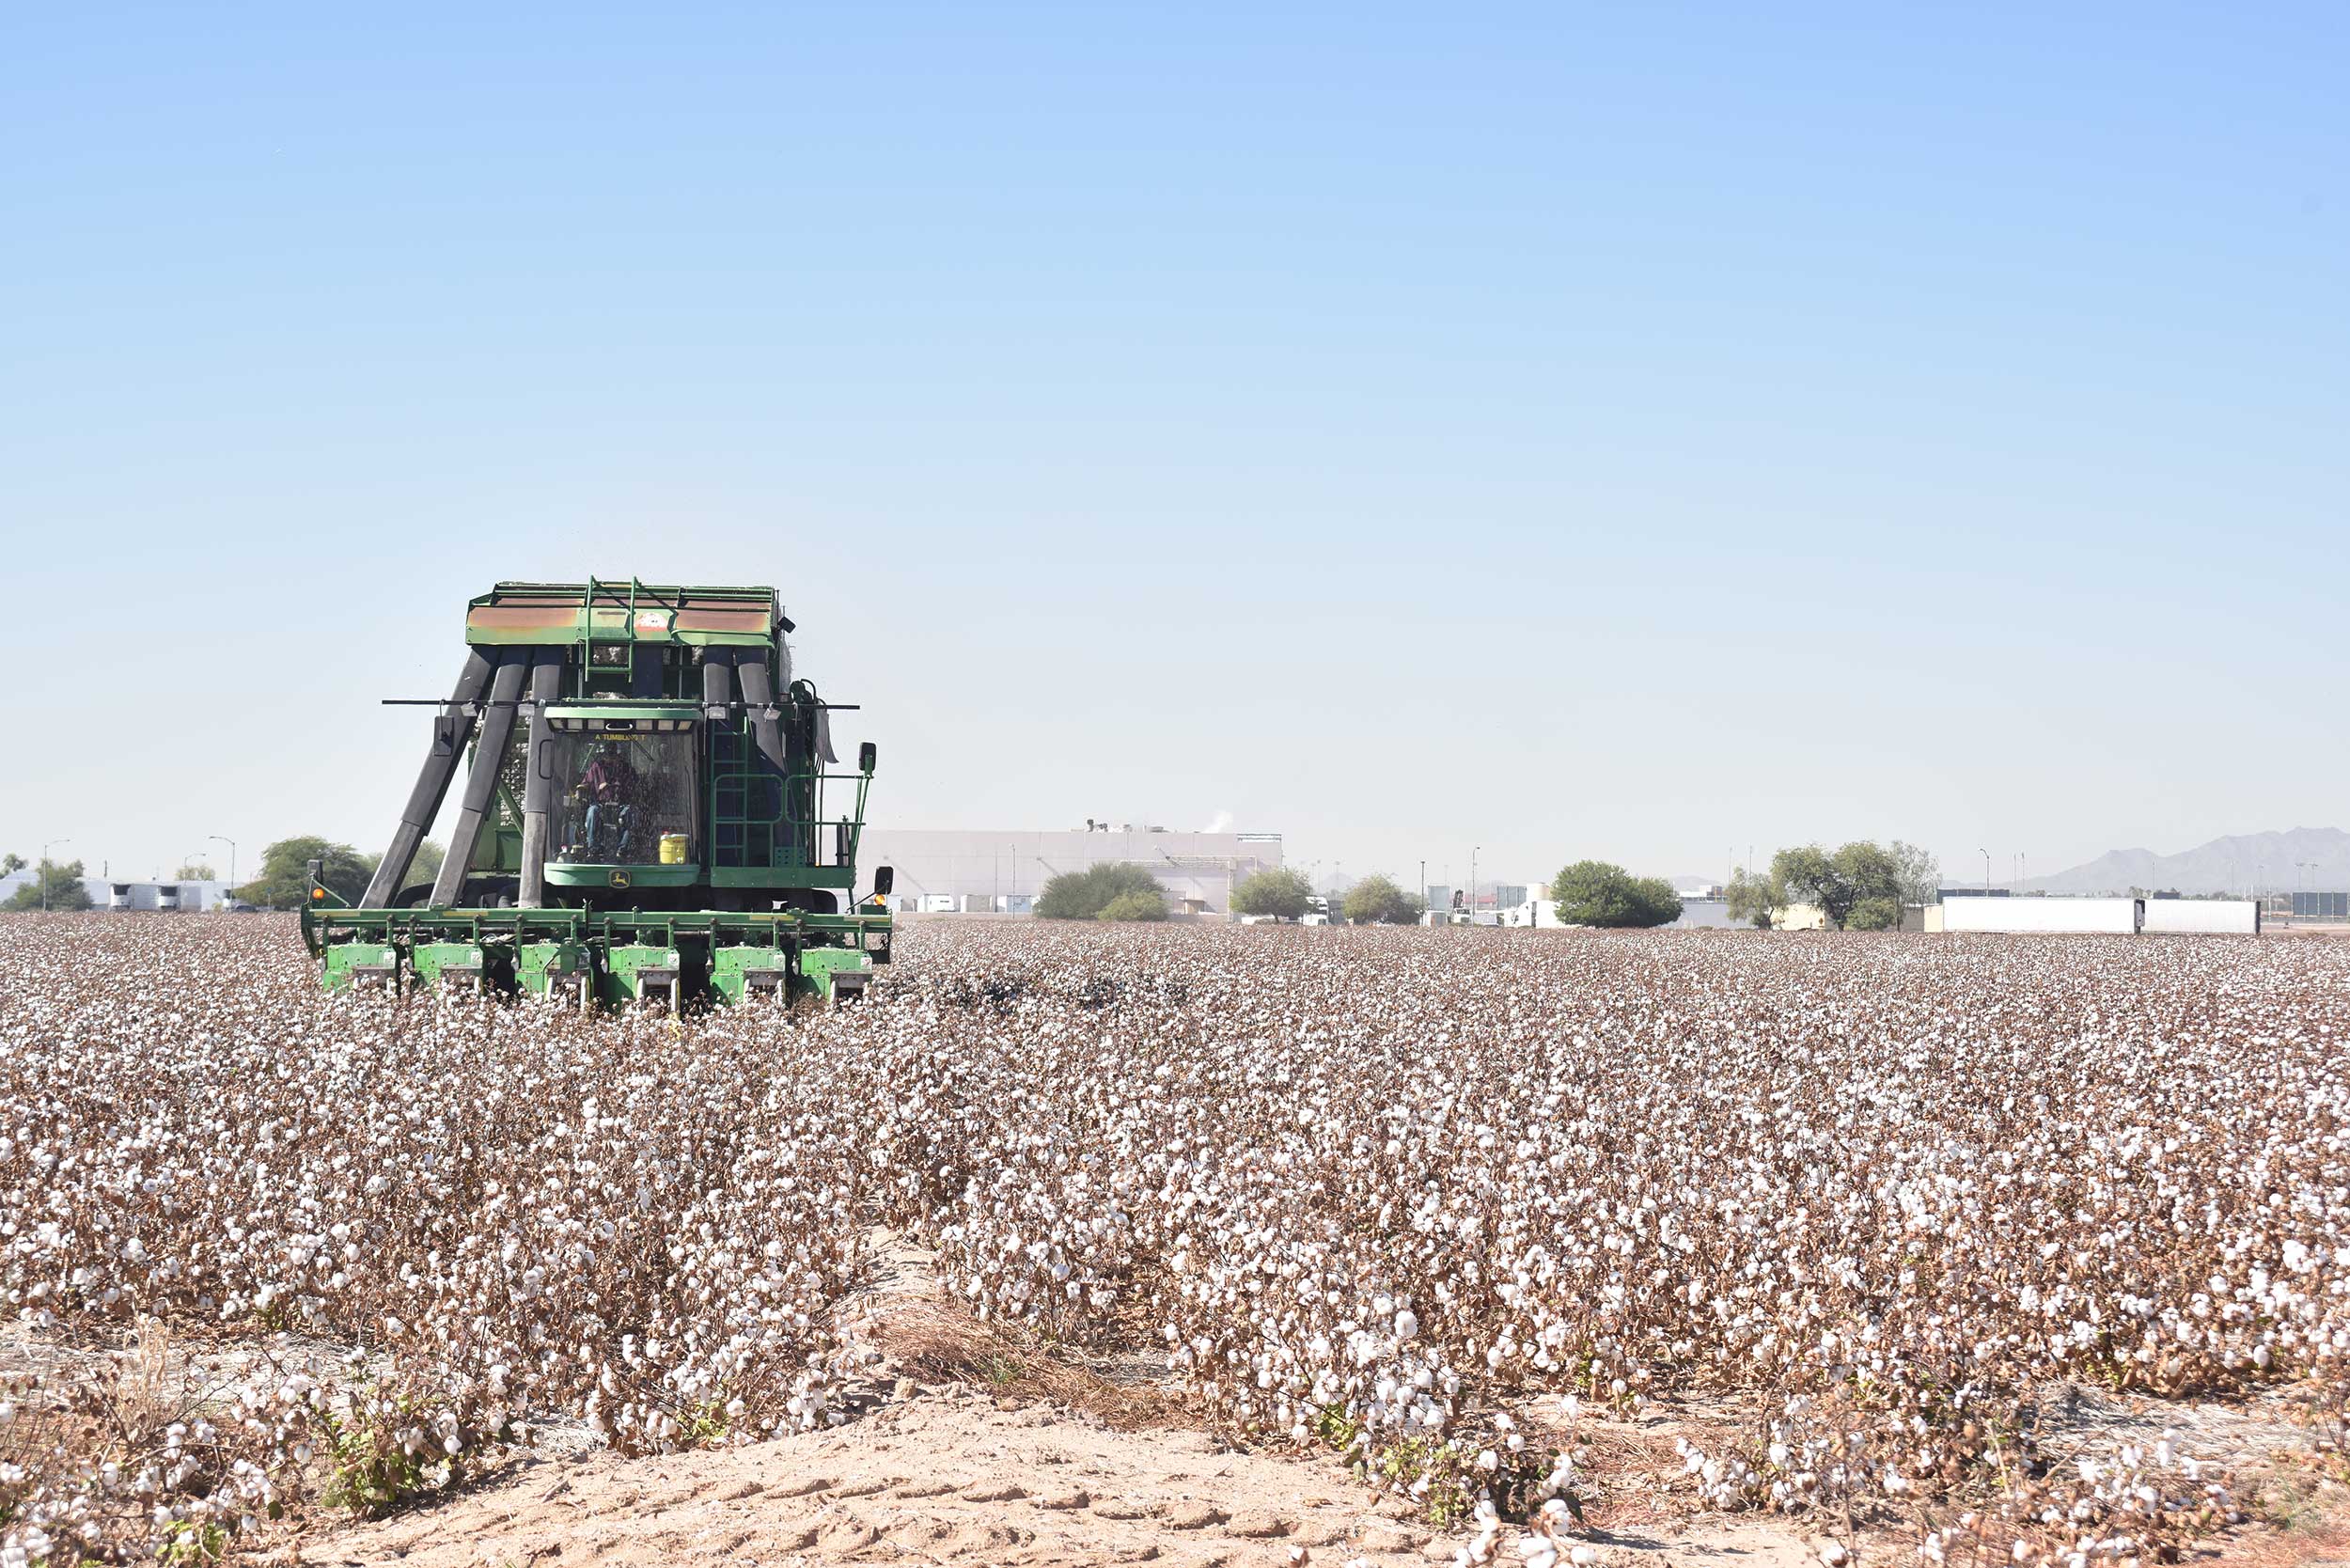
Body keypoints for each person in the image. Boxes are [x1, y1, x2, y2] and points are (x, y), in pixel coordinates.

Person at [577, 742, 642, 861]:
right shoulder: (596, 767)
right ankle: (593, 849)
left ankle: (623, 849)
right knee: (592, 812)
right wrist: (581, 789)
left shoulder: (626, 768)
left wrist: (620, 787)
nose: (610, 758)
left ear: (619, 756)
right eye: (608, 755)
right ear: (603, 755)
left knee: (632, 813)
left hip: (622, 805)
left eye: (613, 755)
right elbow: (585, 784)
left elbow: (635, 786)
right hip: (600, 805)